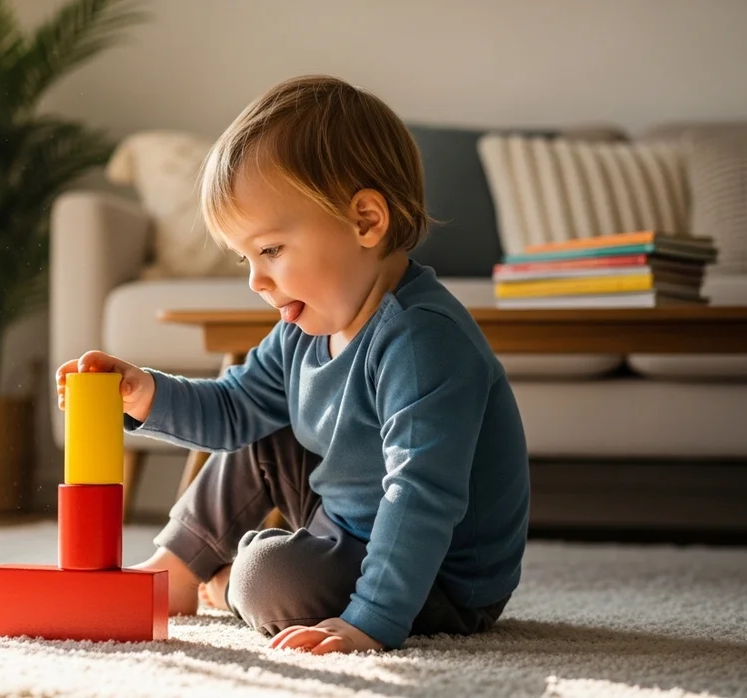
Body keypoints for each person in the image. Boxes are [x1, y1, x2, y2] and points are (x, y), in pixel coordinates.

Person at [55, 74, 530, 654]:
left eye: (272, 250)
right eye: (245, 259)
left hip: (441, 579)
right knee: (263, 424)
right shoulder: (304, 330)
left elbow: (421, 496)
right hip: (344, 528)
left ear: (365, 221)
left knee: (265, 580)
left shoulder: (421, 340)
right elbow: (232, 408)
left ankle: (229, 586)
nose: (257, 280)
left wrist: (371, 621)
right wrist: (145, 394)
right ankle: (176, 570)